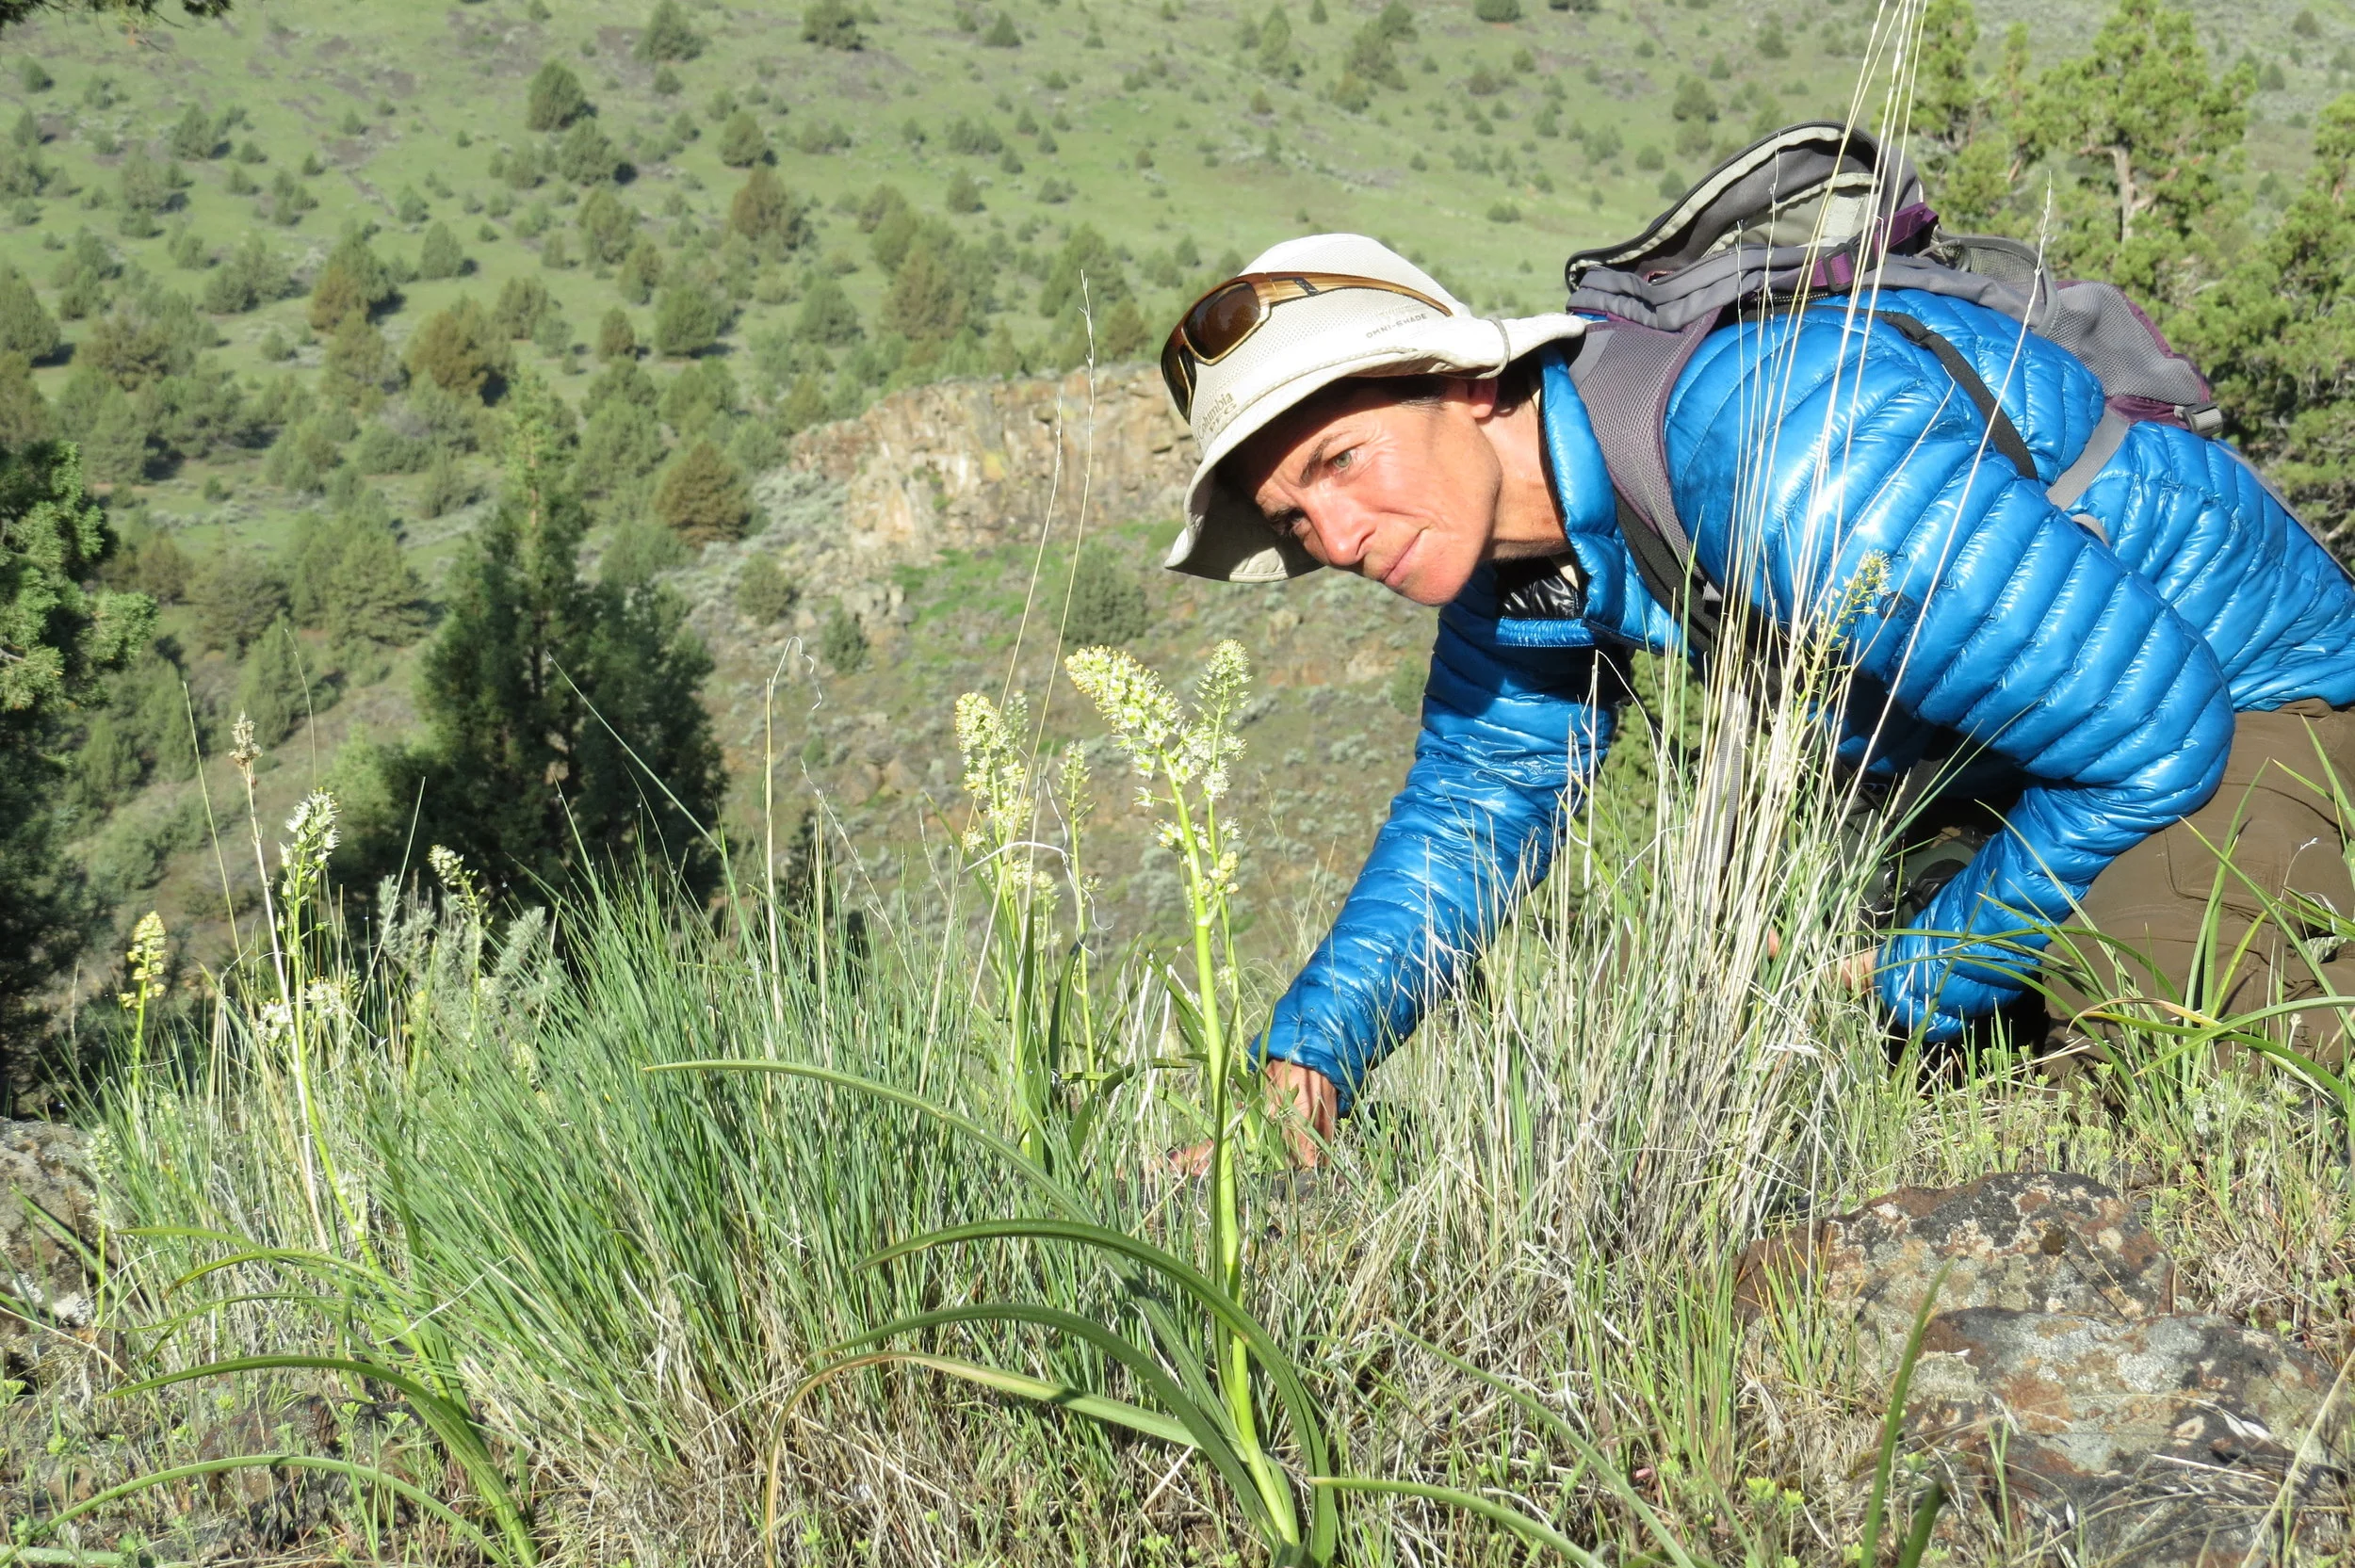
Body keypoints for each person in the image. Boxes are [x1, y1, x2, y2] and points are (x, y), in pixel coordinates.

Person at [1156, 233, 2355, 1160]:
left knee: (2179, 1062)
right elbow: (1477, 805)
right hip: (2019, 760)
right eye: (1293, 521)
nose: (1340, 535)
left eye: (1340, 460)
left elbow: (2150, 736)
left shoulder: (1784, 463)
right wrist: (1308, 1065)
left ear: (1465, 383)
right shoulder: (1512, 564)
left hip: (2253, 699)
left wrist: (1918, 966)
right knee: (1891, 1099)